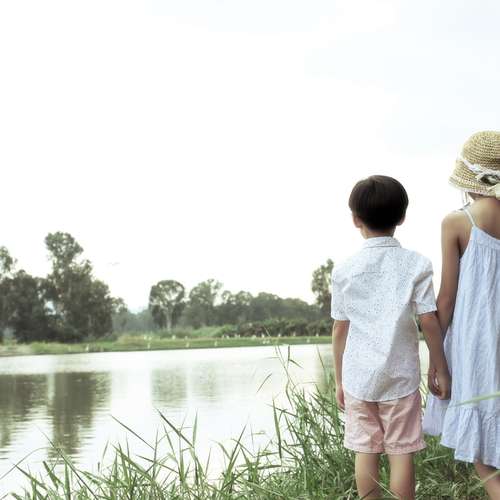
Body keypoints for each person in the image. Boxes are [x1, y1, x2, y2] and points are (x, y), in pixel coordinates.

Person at [331, 175, 451, 500]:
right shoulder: (417, 264)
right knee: (401, 451)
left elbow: (340, 329)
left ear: (355, 219)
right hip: (401, 376)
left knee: (365, 449)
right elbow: (428, 320)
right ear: (402, 217)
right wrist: (439, 367)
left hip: (359, 378)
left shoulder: (344, 270)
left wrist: (340, 380)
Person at [423, 131, 500, 499]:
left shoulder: (457, 222)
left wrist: (436, 361)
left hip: (478, 346)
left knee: (484, 455)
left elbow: (446, 300)